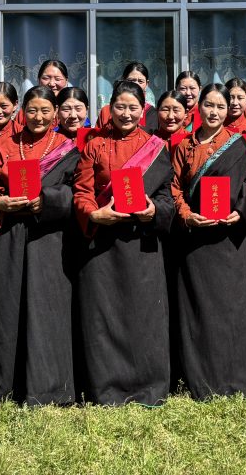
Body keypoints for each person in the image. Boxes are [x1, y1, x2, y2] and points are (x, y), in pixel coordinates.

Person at [72, 80, 174, 405]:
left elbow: (166, 197)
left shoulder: (157, 147)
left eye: (133, 107)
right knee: (104, 316)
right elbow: (82, 191)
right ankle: (106, 387)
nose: (126, 113)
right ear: (110, 108)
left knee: (144, 315)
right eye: (120, 107)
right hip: (102, 244)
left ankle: (149, 386)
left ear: (143, 110)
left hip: (141, 244)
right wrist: (93, 214)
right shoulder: (94, 145)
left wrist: (153, 211)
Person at [0, 85, 79, 406]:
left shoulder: (67, 147)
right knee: (7, 306)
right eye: (33, 111)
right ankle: (3, 387)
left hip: (50, 238)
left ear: (56, 114)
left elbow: (75, 193)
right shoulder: (6, 144)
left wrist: (45, 201)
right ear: (23, 112)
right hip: (10, 236)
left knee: (47, 308)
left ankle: (49, 388)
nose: (38, 117)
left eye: (46, 111)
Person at [169, 84, 246, 399]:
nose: (214, 112)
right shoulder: (183, 146)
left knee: (230, 309)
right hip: (195, 239)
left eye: (220, 107)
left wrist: (240, 211)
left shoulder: (238, 145)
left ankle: (236, 380)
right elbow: (174, 186)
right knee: (197, 309)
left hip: (228, 241)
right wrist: (185, 215)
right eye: (209, 105)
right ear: (199, 107)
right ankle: (199, 381)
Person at [96, 62, 157, 131]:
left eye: (140, 81)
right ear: (123, 80)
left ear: (147, 84)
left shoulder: (152, 113)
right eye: (131, 80)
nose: (136, 84)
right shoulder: (106, 111)